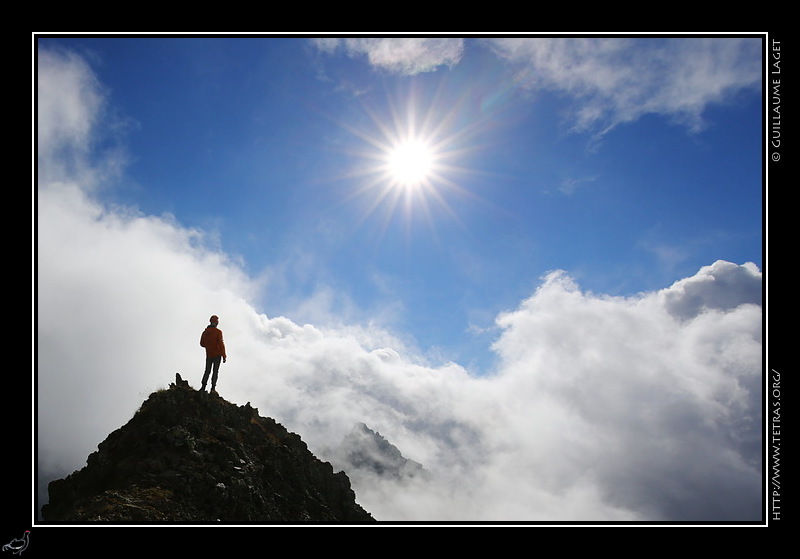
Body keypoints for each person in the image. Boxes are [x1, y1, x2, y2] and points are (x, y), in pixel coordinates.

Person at [199, 314, 227, 393]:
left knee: (207, 371)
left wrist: (209, 346)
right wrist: (224, 355)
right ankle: (213, 388)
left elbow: (202, 344)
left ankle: (203, 386)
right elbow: (221, 344)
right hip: (217, 355)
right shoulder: (218, 332)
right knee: (215, 371)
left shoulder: (205, 332)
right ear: (216, 322)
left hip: (209, 354)